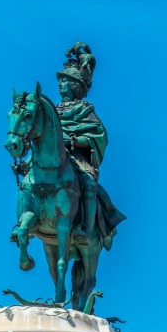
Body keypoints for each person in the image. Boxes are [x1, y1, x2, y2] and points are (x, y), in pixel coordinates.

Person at [55, 43, 108, 247]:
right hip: (54, 157)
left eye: (65, 81)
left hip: (77, 159)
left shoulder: (85, 110)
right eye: (60, 81)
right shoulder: (52, 111)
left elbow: (99, 136)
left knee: (88, 183)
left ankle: (85, 226)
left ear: (75, 85)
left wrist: (75, 141)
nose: (60, 85)